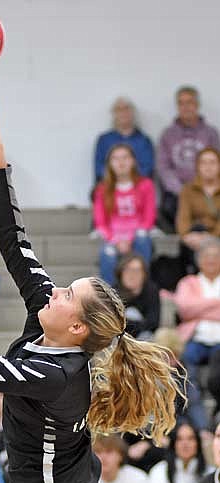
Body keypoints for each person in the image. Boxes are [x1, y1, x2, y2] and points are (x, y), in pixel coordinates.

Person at [0, 85, 184, 483]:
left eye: (68, 295)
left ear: (77, 329)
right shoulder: (47, 322)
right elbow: (12, 238)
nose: (54, 292)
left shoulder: (54, 376)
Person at [157, 86, 220, 232]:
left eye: (190, 102)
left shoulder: (211, 133)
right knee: (169, 207)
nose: (185, 107)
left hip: (207, 188)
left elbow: (216, 162)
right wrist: (182, 190)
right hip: (177, 191)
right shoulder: (167, 135)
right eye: (181, 103)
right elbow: (163, 167)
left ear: (197, 105)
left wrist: (202, 187)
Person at [173, 239, 220, 432]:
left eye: (215, 256)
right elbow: (184, 309)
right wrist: (216, 303)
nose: (211, 260)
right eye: (207, 256)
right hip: (195, 340)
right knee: (184, 371)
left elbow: (193, 308)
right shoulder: (188, 282)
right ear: (199, 260)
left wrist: (200, 306)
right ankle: (202, 426)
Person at [93, 144, 156, 285]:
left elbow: (149, 218)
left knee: (142, 237)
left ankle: (142, 288)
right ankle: (109, 298)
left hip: (138, 236)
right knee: (107, 253)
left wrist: (129, 240)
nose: (121, 162)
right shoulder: (102, 189)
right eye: (115, 158)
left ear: (133, 161)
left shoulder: (146, 185)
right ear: (109, 163)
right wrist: (116, 240)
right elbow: (100, 222)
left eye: (125, 157)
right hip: (114, 238)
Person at [176, 148, 220, 274]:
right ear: (197, 166)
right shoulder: (188, 189)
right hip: (194, 236)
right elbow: (183, 217)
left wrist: (211, 237)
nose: (208, 167)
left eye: (212, 162)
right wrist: (186, 235)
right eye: (204, 163)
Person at [94, 97, 154, 183]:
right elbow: (99, 169)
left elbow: (147, 169)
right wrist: (119, 184)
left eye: (126, 108)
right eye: (119, 110)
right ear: (113, 114)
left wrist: (126, 185)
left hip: (137, 188)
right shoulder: (103, 140)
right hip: (110, 187)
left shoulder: (144, 141)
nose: (123, 113)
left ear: (133, 112)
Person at [114, 253, 160, 340]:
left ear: (144, 274)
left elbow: (153, 323)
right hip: (119, 338)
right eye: (128, 270)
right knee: (131, 312)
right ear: (121, 272)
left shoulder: (151, 290)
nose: (132, 275)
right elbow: (114, 323)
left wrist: (131, 324)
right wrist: (139, 324)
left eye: (137, 270)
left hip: (144, 337)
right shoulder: (113, 292)